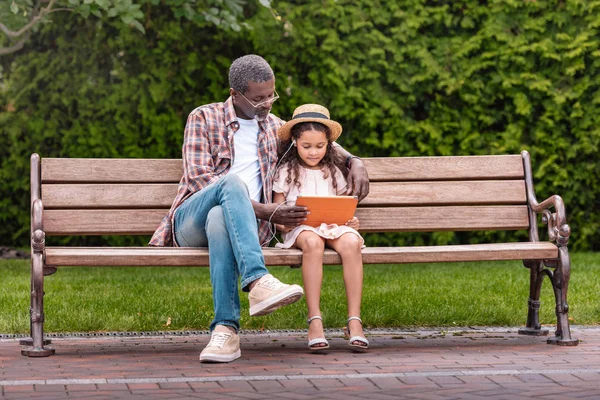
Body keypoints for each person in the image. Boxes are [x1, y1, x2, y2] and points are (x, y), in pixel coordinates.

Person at [149, 55, 369, 363]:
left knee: (220, 218)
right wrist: (267, 211)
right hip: (191, 221)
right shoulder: (204, 118)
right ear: (234, 94)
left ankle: (225, 332)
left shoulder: (275, 128)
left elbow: (321, 141)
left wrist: (354, 161)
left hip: (241, 229)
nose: (266, 104)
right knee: (229, 186)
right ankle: (257, 280)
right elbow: (200, 181)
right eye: (258, 99)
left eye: (271, 96)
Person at [272, 104, 369, 352]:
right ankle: (315, 320)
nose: (313, 152)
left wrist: (351, 222)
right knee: (313, 243)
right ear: (295, 142)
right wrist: (286, 220)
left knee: (351, 242)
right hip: (301, 230)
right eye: (306, 146)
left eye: (320, 146)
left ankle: (354, 320)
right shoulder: (285, 172)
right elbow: (277, 213)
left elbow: (342, 208)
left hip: (331, 226)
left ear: (328, 145)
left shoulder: (333, 172)